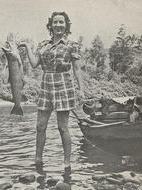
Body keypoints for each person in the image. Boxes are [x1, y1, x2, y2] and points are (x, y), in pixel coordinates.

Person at [19, 11, 84, 172]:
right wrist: (28, 47)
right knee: (40, 126)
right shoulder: (43, 44)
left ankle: (67, 163)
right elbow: (34, 64)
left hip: (64, 85)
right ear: (51, 25)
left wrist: (81, 89)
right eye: (55, 22)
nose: (58, 25)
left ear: (66, 25)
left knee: (63, 127)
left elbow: (77, 69)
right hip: (46, 85)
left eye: (61, 22)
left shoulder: (72, 44)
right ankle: (38, 160)